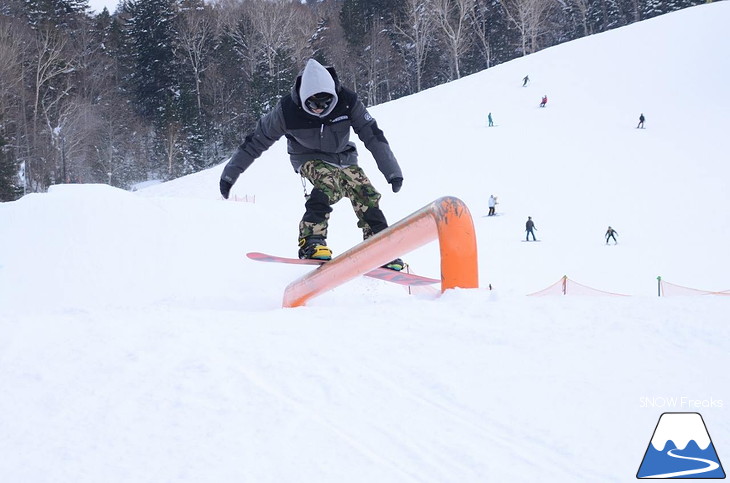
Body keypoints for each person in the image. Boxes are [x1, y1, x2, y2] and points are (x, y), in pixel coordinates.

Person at [219, 59, 405, 270]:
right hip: (307, 157)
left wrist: (392, 172)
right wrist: (229, 175)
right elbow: (255, 141)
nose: (319, 110)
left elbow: (373, 135)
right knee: (328, 183)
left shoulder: (347, 101)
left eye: (325, 104)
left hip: (343, 157)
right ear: (304, 99)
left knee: (365, 191)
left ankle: (378, 244)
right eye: (314, 105)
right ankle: (311, 240)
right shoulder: (286, 110)